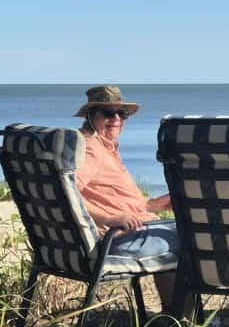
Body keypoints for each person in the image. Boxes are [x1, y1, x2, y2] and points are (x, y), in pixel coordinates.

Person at [73, 85, 176, 262]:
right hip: (118, 239)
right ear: (91, 115)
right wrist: (109, 218)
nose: (116, 119)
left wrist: (156, 204)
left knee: (182, 238)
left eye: (122, 113)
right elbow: (66, 191)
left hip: (131, 230)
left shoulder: (104, 146)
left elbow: (111, 198)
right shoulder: (90, 148)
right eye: (107, 113)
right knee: (197, 238)